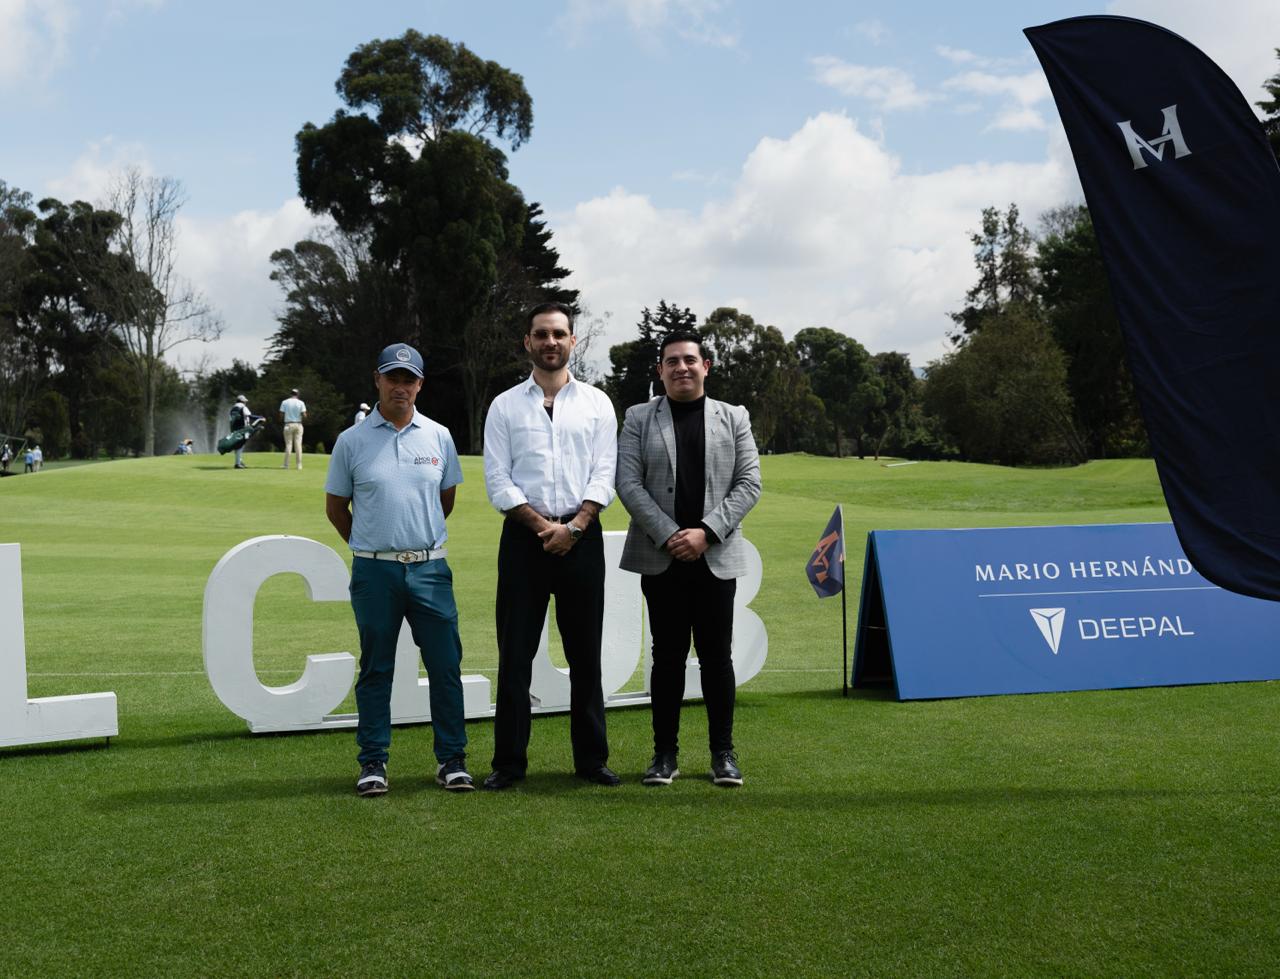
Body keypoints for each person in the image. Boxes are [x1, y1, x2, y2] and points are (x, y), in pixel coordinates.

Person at [481, 301, 620, 790]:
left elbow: (604, 473)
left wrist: (576, 526)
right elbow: (497, 479)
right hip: (525, 541)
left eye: (559, 333)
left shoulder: (597, 404)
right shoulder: (504, 405)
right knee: (515, 656)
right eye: (541, 334)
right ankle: (508, 764)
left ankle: (592, 761)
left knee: (585, 655)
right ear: (528, 342)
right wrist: (544, 527)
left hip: (583, 538)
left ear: (572, 341)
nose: (550, 342)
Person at [324, 343, 473, 796]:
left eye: (409, 380)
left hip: (430, 569)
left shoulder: (439, 436)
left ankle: (452, 759)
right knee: (376, 668)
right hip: (375, 573)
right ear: (378, 380)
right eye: (393, 378)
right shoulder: (352, 441)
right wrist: (369, 545)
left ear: (420, 385)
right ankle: (373, 761)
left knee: (445, 665)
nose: (400, 387)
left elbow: (444, 500)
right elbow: (336, 508)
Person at [616, 329, 762, 788]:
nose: (681, 367)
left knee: (717, 658)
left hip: (715, 557)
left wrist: (706, 533)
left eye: (689, 360)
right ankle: (664, 755)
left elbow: (749, 484)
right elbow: (627, 482)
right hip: (662, 559)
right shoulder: (639, 417)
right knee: (667, 658)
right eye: (672, 361)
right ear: (660, 370)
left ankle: (723, 754)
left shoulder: (734, 417)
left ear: (706, 366)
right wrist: (669, 534)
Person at [279, 388, 307, 470]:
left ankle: (286, 465)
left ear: (291, 394)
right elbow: (304, 415)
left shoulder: (285, 402)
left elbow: (281, 414)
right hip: (298, 424)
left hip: (288, 424)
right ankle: (299, 465)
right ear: (298, 394)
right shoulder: (301, 402)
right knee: (298, 445)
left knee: (288, 445)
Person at [229, 395, 253, 469]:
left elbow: (231, 420)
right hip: (242, 429)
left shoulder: (233, 408)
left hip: (234, 429)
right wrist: (260, 417)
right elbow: (250, 416)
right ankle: (237, 464)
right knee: (240, 446)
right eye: (245, 401)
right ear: (242, 401)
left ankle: (239, 461)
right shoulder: (243, 407)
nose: (245, 402)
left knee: (237, 446)